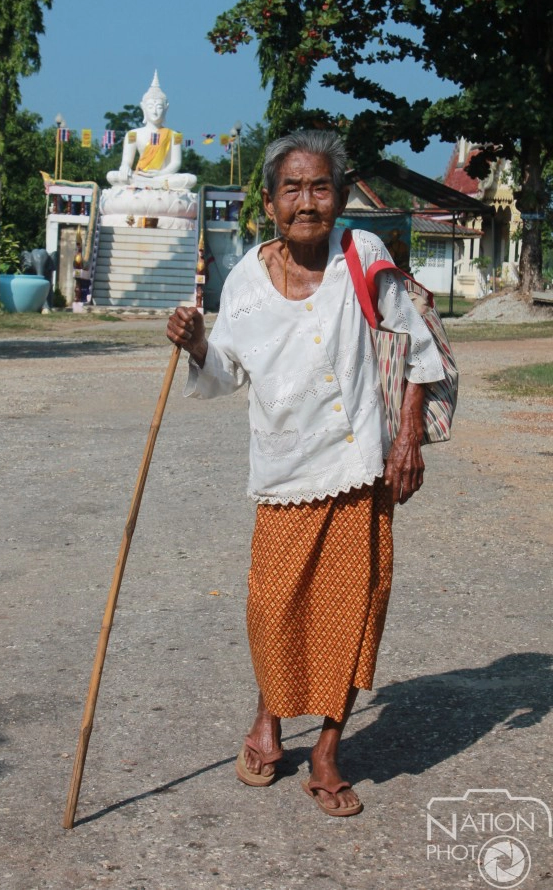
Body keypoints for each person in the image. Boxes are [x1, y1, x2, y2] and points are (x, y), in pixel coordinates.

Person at [166, 130, 445, 817]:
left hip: (359, 465)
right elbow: (225, 373)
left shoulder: (364, 256)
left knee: (351, 614)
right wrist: (199, 342)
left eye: (320, 187)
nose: (307, 201)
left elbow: (414, 345)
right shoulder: (245, 283)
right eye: (292, 189)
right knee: (275, 609)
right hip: (285, 472)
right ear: (269, 203)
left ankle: (325, 749)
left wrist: (408, 437)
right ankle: (269, 716)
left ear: (341, 196)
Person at [106, 71, 196, 192]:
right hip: (139, 175)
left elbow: (176, 163)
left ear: (166, 108)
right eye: (150, 107)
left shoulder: (175, 135)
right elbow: (127, 160)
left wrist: (159, 174)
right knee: (112, 176)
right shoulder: (132, 134)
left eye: (159, 107)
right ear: (143, 108)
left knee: (190, 179)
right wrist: (125, 167)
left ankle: (149, 186)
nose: (154, 111)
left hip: (163, 177)